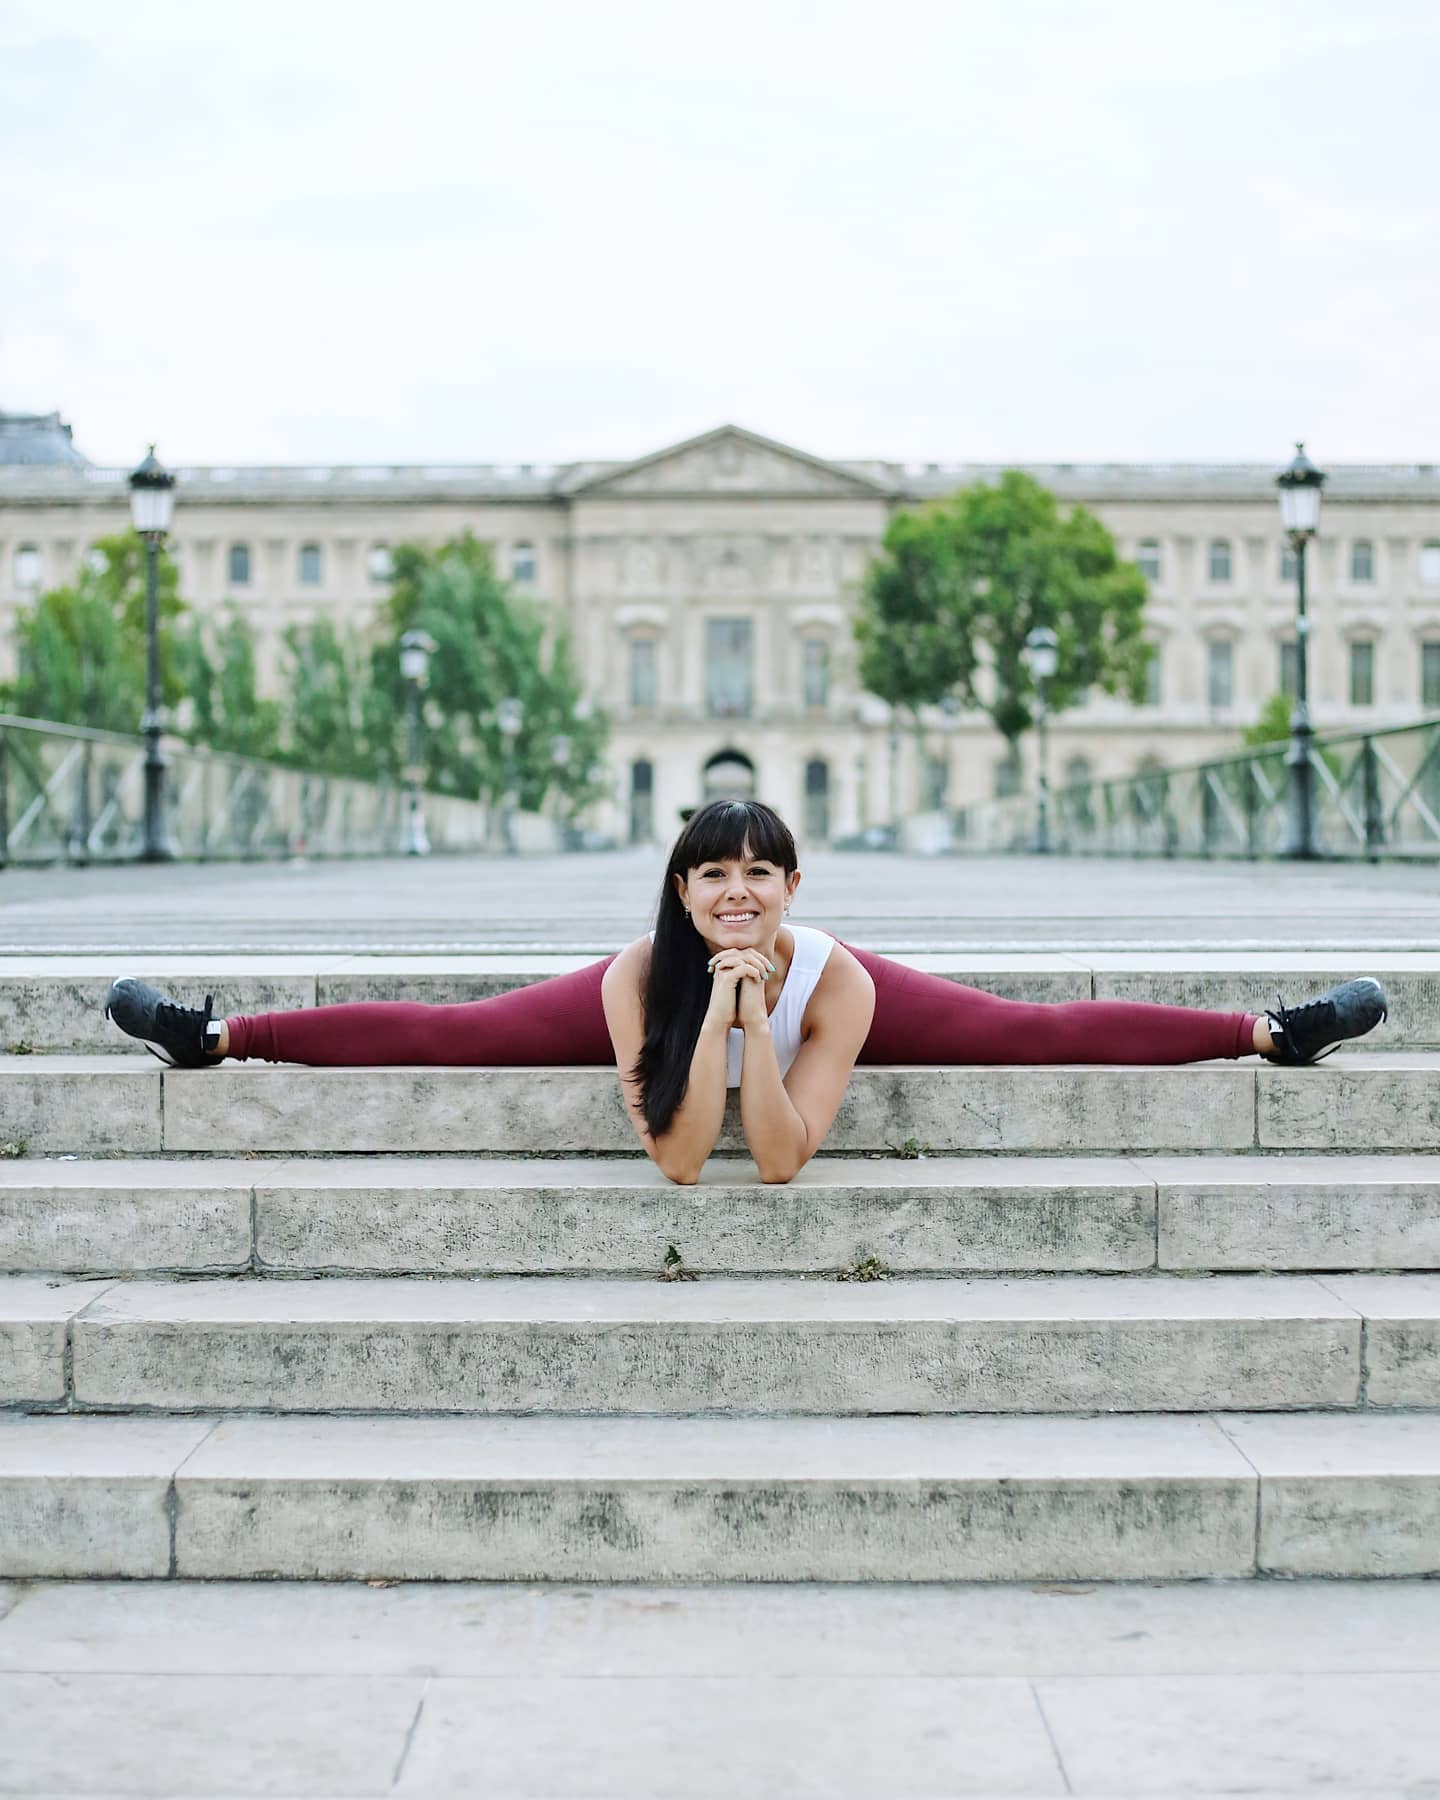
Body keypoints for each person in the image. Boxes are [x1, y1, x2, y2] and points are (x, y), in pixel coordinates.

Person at [104, 798, 1388, 1185]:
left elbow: (774, 1163)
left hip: (811, 1011)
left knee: (1025, 1027)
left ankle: (1270, 1034)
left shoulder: (838, 982)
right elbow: (677, 1161)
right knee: (463, 1030)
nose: (736, 892)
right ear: (679, 891)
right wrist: (706, 1012)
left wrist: (753, 1029)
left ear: (789, 888)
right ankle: (219, 1036)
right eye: (711, 873)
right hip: (662, 1007)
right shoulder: (632, 972)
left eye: (758, 874)